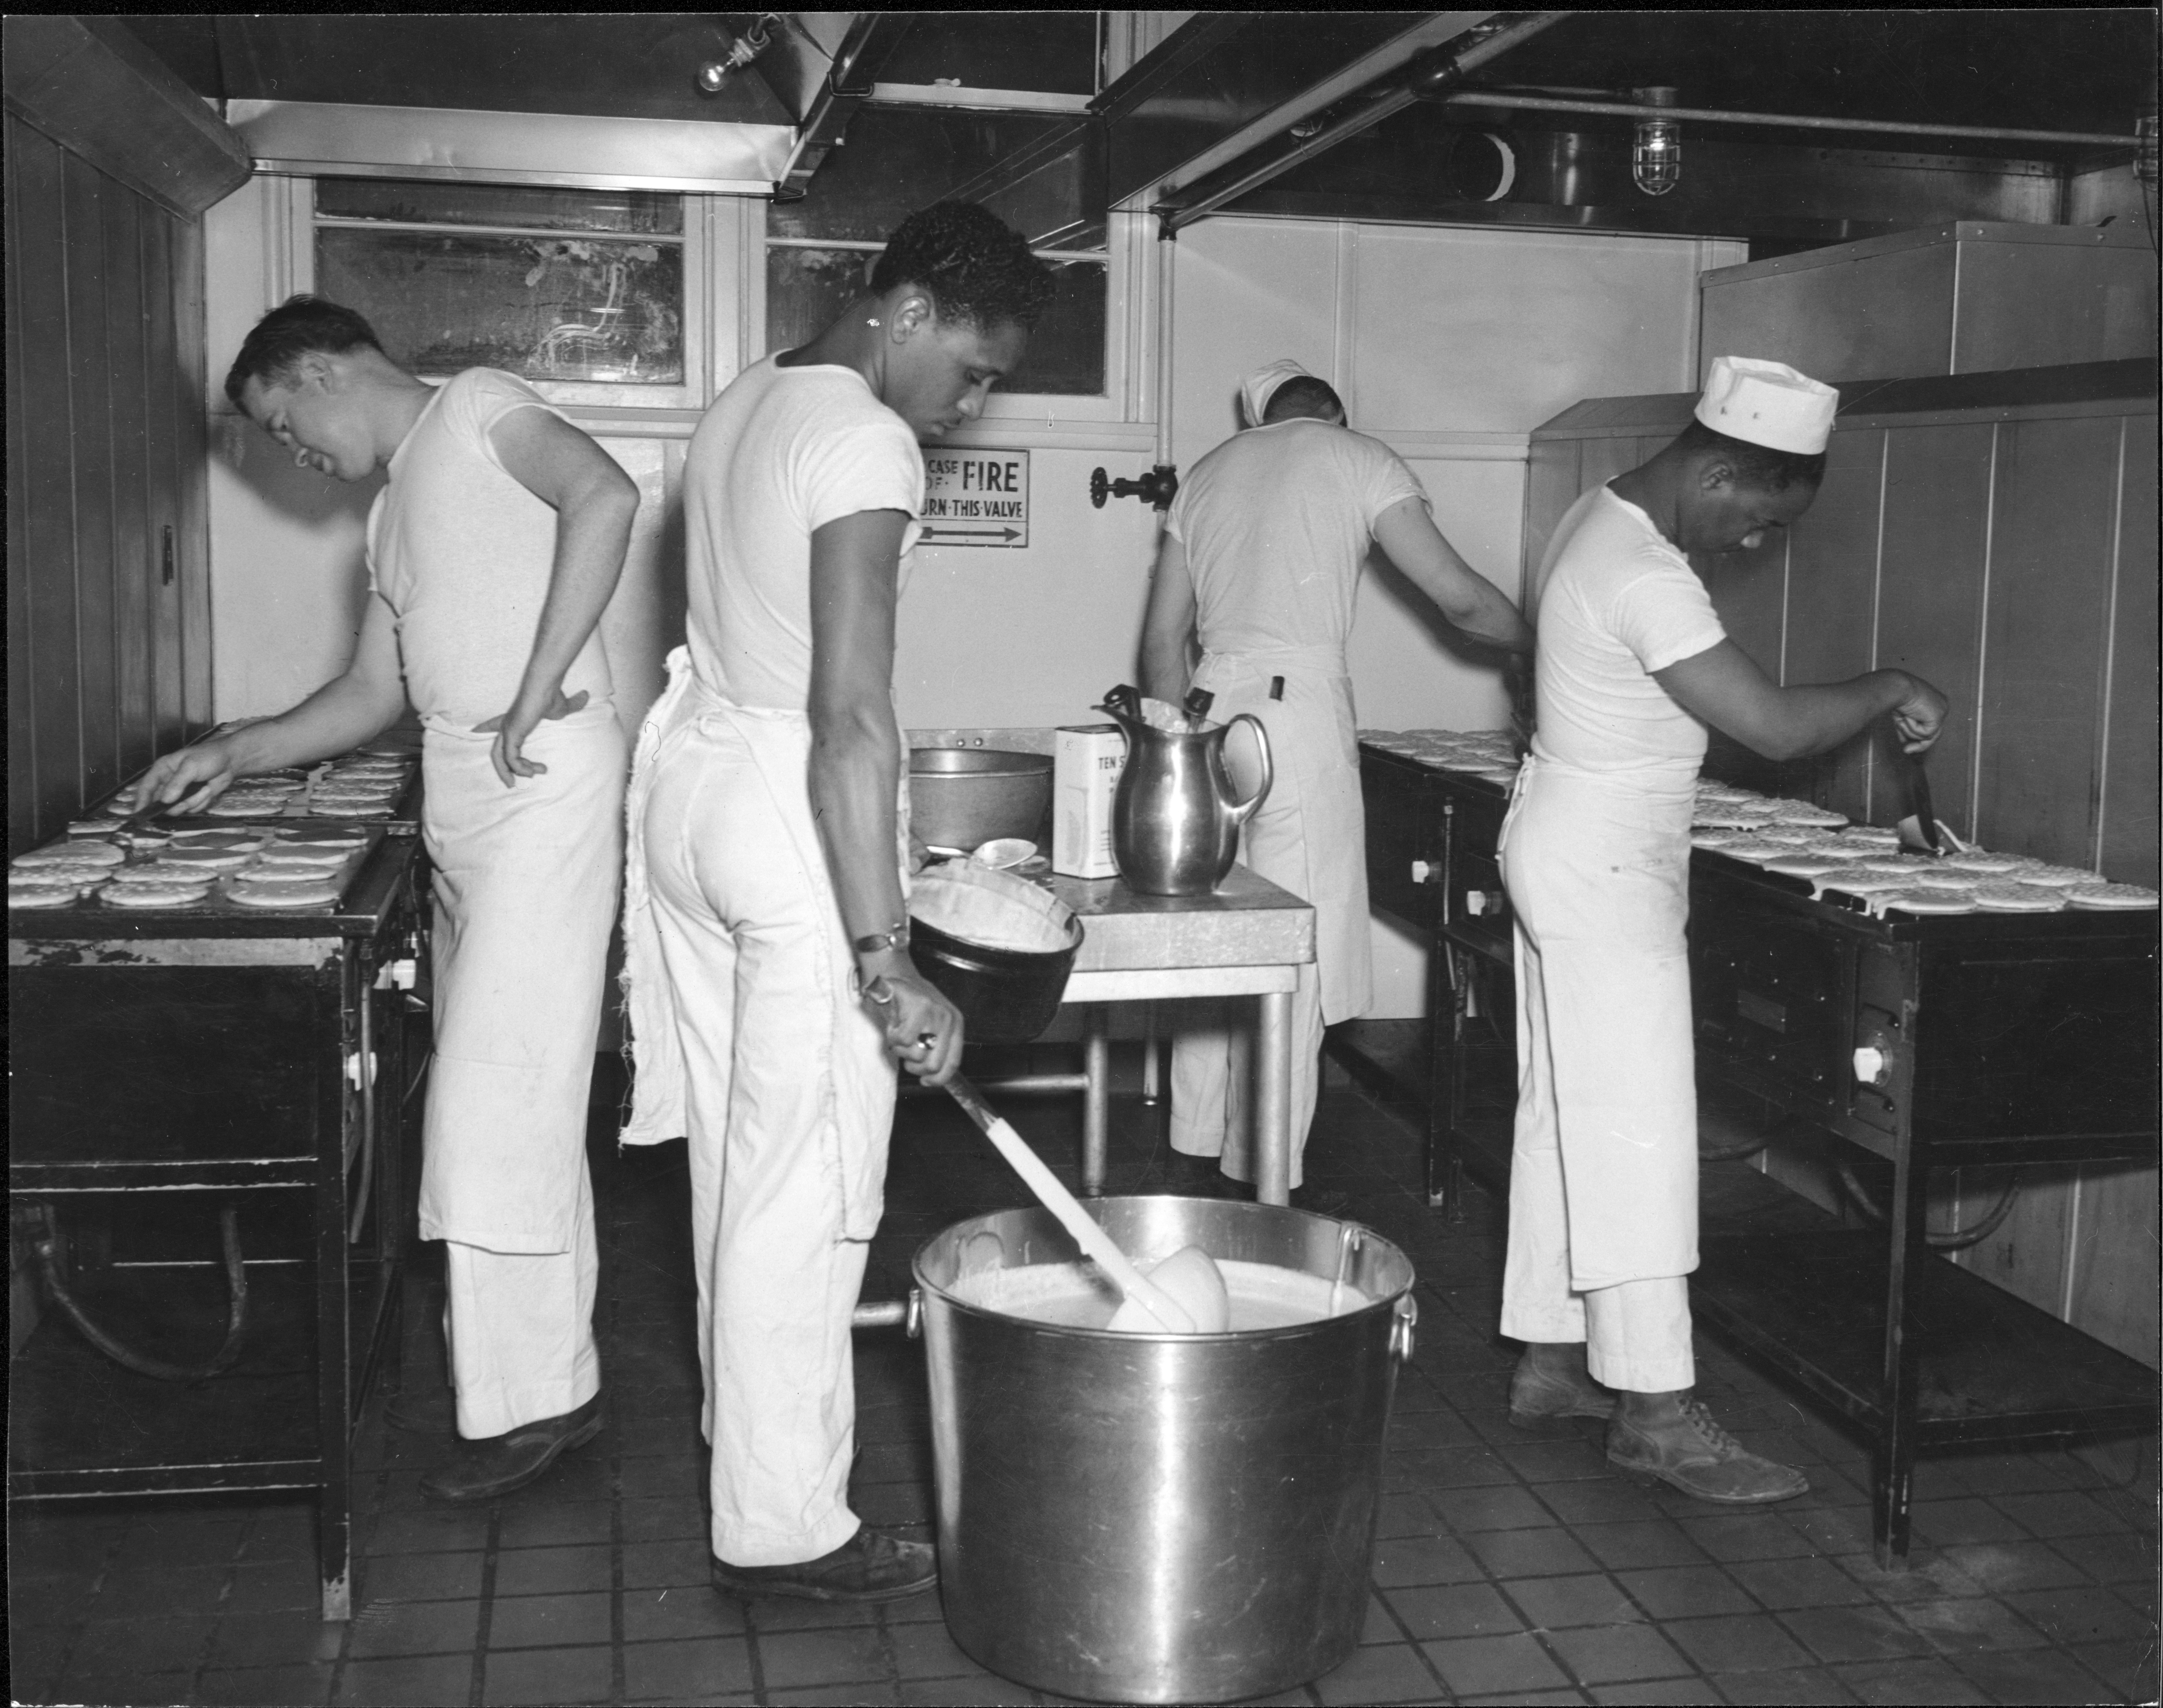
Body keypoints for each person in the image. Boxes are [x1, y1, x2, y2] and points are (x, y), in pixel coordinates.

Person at [125, 296, 638, 1503]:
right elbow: (369, 692)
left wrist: (537, 684)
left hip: (541, 773)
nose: (289, 451)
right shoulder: (392, 511)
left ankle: (534, 1403)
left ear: (317, 369)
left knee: (489, 1100)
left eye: (280, 421)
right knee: (516, 1084)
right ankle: (544, 1377)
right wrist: (237, 750)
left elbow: (605, 496)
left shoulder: (478, 408)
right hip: (467, 785)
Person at [619, 202, 1053, 1602]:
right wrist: (888, 955)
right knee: (803, 1187)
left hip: (686, 789)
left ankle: (746, 1452)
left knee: (736, 1171)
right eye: (973, 371)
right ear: (907, 311)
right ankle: (785, 1522)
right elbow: (853, 717)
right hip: (779, 803)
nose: (970, 405)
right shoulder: (867, 438)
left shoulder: (750, 392)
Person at [1499, 355, 1949, 1503]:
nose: (1751, 542)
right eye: (1754, 514)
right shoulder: (1647, 572)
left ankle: (1554, 1357)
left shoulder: (1589, 519)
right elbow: (1775, 726)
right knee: (1639, 1128)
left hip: (1566, 828)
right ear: (1712, 469)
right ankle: (1653, 1410)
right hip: (1603, 856)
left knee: (1566, 1111)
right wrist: (1889, 681)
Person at [1138, 360, 1533, 1202]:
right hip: (1294, 716)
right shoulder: (1358, 458)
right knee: (1294, 948)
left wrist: (1175, 746)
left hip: (1208, 712)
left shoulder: (1208, 473)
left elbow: (1159, 640)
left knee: (1217, 934)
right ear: (1335, 412)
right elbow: (1458, 600)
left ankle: (1191, 1144)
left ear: (1258, 421)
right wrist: (1539, 644)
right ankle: (1267, 1176)